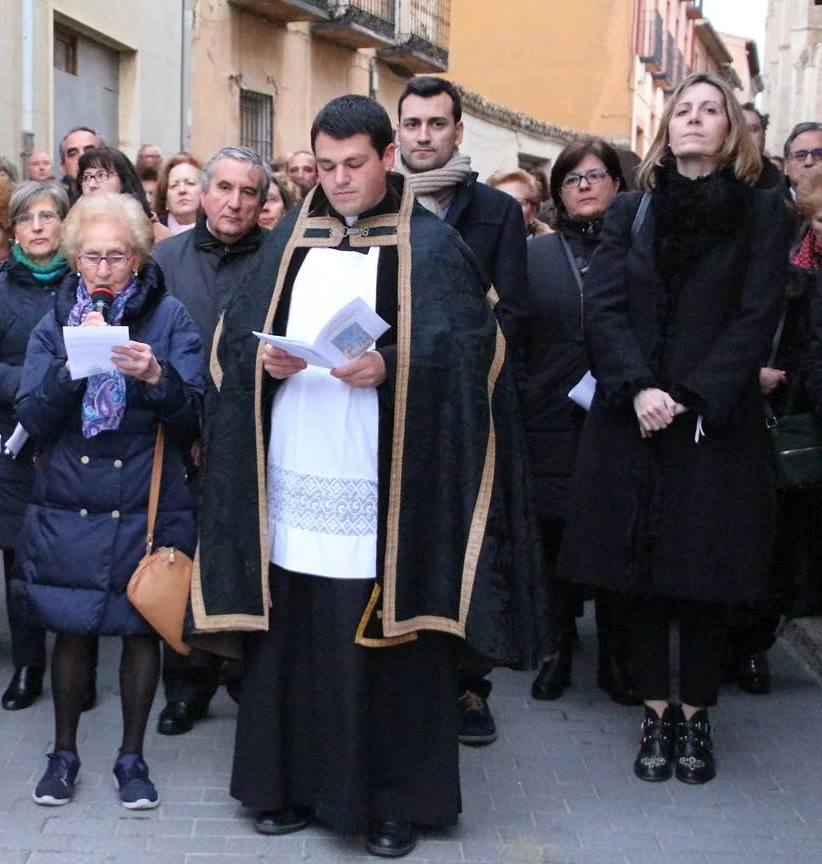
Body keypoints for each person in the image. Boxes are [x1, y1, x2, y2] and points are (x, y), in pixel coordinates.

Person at [192, 94, 543, 858]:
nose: (341, 180)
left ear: (388, 157)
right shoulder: (287, 238)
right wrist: (269, 365)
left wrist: (394, 367)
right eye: (326, 166)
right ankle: (282, 784)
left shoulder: (433, 247)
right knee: (295, 635)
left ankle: (393, 800)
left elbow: (477, 360)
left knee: (390, 643)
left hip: (390, 481)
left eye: (355, 164)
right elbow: (231, 351)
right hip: (295, 468)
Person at [559, 73, 792, 785]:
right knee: (636, 580)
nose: (694, 120)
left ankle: (696, 717)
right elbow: (602, 309)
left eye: (709, 110)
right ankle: (653, 711)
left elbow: (758, 316)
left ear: (731, 131)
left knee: (702, 579)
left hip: (713, 425)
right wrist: (638, 389)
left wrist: (692, 394)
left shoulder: (761, 213)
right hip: (633, 420)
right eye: (683, 110)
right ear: (667, 128)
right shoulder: (633, 208)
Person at [17, 192, 204, 811]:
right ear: (74, 261)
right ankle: (63, 753)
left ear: (139, 257)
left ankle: (132, 756)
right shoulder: (55, 319)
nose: (103, 270)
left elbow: (195, 416)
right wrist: (71, 365)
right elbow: (33, 419)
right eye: (92, 257)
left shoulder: (170, 317)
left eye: (116, 257)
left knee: (138, 628)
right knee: (71, 629)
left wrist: (156, 378)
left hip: (144, 492)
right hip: (71, 494)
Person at [396, 74, 530, 746]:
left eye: (435, 124)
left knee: (474, 544)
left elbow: (514, 312)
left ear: (457, 131)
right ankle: (407, 676)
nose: (423, 136)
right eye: (412, 123)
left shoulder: (496, 214)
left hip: (469, 408)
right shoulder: (377, 205)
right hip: (387, 401)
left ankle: (471, 688)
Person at [150, 146, 269, 736]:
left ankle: (249, 678)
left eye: (249, 192)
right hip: (177, 435)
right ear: (201, 192)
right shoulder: (164, 258)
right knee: (183, 553)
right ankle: (187, 684)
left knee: (248, 555)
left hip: (254, 437)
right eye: (224, 187)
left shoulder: (278, 259)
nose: (234, 201)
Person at [520, 138, 635, 704]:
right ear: (557, 194)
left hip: (621, 419)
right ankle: (556, 649)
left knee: (619, 541)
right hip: (549, 421)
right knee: (554, 545)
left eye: (596, 175)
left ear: (618, 183)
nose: (585, 185)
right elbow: (512, 338)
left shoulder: (642, 252)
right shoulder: (532, 256)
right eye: (572, 179)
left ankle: (616, 656)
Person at [0, 180, 72, 711]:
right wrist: (29, 386)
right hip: (19, 442)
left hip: (77, 439)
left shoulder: (87, 283)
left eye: (48, 216)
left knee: (75, 556)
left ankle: (80, 665)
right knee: (21, 560)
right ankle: (28, 664)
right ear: (14, 232)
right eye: (26, 219)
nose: (38, 227)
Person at [728, 172, 822, 692]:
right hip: (763, 415)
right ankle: (737, 645)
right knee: (755, 539)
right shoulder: (784, 266)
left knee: (789, 552)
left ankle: (753, 645)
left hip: (801, 424)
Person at [76, 146, 171, 242]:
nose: (92, 185)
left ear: (123, 181)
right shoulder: (73, 230)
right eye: (87, 177)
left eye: (102, 175)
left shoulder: (157, 235)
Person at [487, 169, 553, 237]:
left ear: (533, 210)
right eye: (498, 201)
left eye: (515, 202)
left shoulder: (546, 244)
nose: (505, 208)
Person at [155, 153, 203, 237]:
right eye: (174, 185)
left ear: (204, 192)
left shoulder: (218, 233)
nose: (182, 190)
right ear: (165, 199)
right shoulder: (151, 236)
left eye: (190, 183)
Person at [743, 104, 784, 193]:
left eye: (753, 129)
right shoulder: (712, 179)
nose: (746, 136)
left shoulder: (782, 184)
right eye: (739, 130)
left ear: (763, 137)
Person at [58, 127, 101, 203]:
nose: (82, 157)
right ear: (63, 167)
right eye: (73, 154)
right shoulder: (58, 206)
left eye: (90, 151)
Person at [783, 122, 822, 195]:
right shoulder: (763, 204)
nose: (809, 162)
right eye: (801, 155)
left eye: (819, 154)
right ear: (786, 165)